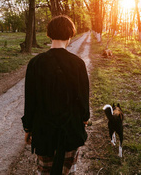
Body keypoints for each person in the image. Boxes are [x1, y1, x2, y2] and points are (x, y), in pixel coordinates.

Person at [22, 15, 90, 175]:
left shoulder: (35, 63)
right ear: (70, 34)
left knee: (45, 172)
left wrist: (28, 128)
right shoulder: (78, 64)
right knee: (68, 172)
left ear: (49, 34)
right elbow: (83, 99)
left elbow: (30, 101)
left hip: (44, 132)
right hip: (70, 131)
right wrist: (84, 120)